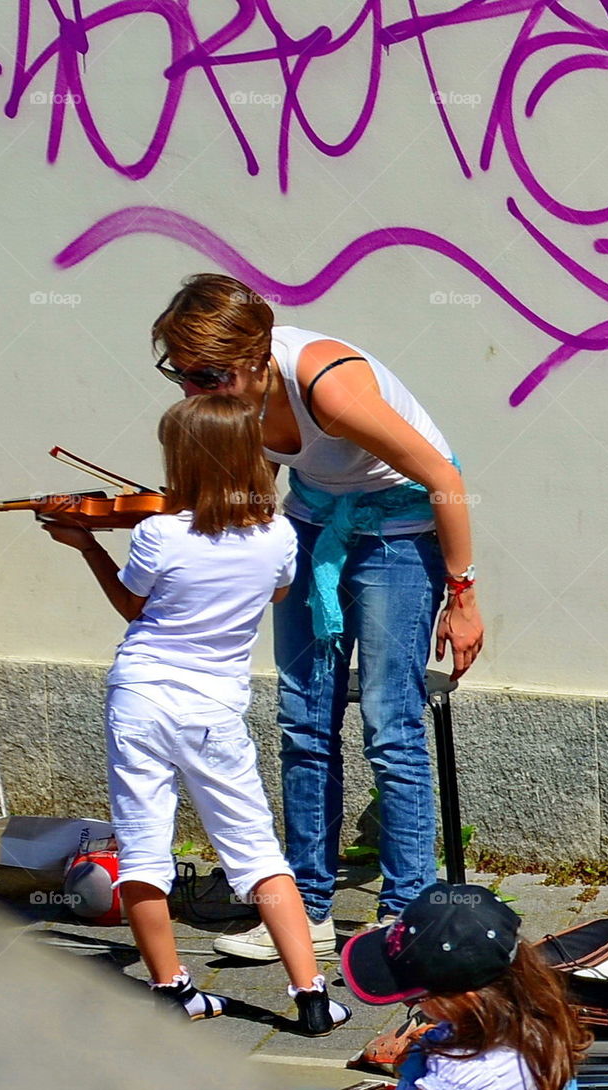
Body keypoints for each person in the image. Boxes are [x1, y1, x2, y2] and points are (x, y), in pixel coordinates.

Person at [150, 274, 485, 960]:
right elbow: (262, 481)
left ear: (256, 355)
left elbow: (444, 476)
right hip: (314, 527)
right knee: (303, 724)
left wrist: (464, 596)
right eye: (181, 375)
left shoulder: (326, 386)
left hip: (400, 534)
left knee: (392, 727)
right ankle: (308, 910)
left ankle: (405, 920)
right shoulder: (231, 397)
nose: (193, 390)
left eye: (208, 374)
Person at [42, 394, 352, 1035]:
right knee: (258, 852)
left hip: (141, 698)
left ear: (184, 461)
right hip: (214, 710)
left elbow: (135, 608)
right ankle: (312, 996)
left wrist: (86, 547)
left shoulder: (158, 533)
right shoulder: (277, 536)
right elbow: (281, 589)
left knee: (144, 847)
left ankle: (172, 988)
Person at [341, 883, 591, 1090]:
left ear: (470, 1000)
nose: (409, 1005)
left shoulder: (470, 1073)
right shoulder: (535, 1016)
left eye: (416, 999)